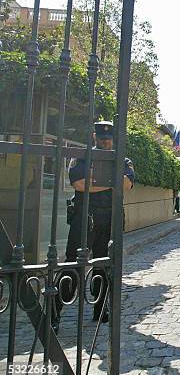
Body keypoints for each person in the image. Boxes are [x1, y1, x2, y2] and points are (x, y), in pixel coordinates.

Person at [53, 121, 135, 331]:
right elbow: (79, 185)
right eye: (102, 138)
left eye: (108, 139)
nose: (105, 142)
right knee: (72, 266)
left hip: (110, 219)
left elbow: (126, 184)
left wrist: (95, 180)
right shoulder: (82, 157)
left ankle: (100, 309)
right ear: (94, 137)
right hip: (85, 218)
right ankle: (55, 313)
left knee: (104, 265)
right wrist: (111, 181)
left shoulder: (122, 159)